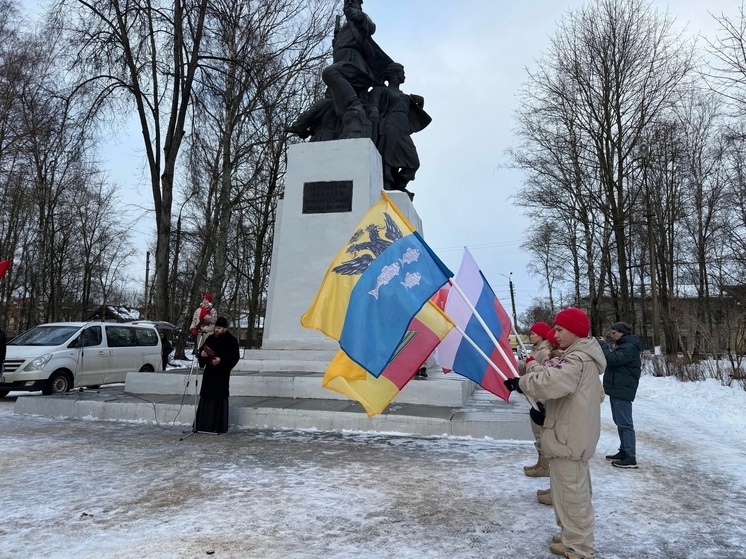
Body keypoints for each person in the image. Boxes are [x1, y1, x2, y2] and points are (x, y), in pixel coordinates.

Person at [503, 307, 606, 559]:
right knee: (567, 496)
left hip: (569, 441)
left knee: (573, 499)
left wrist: (521, 383)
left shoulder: (578, 360)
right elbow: (569, 395)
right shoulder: (577, 357)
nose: (555, 335)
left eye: (560, 329)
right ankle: (572, 538)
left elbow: (549, 382)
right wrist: (548, 413)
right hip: (566, 437)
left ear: (576, 331)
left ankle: (579, 551)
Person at [367, 62, 431, 198]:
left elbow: (414, 114)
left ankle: (399, 184)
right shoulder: (381, 90)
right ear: (395, 74)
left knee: (413, 163)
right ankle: (388, 185)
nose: (405, 76)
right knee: (388, 159)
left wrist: (419, 102)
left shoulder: (406, 97)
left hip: (402, 130)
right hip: (388, 127)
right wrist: (374, 114)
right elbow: (373, 106)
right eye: (402, 73)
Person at [321, 0, 379, 138]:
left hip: (354, 66)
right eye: (347, 2)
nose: (349, 4)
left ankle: (355, 104)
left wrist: (359, 15)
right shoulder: (344, 30)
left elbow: (371, 27)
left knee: (329, 72)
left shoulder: (358, 21)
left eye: (353, 2)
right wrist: (336, 44)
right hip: (342, 64)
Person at [598, 321, 643, 469]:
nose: (612, 335)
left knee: (625, 423)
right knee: (620, 421)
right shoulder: (624, 345)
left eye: (614, 333)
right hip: (618, 388)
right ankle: (624, 451)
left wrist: (603, 345)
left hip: (623, 389)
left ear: (622, 332)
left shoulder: (629, 347)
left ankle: (630, 456)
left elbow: (613, 360)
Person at [195, 317, 241, 434]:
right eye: (216, 327)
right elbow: (202, 350)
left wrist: (221, 361)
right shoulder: (210, 338)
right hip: (209, 373)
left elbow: (234, 357)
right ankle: (204, 425)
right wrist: (202, 354)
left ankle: (217, 426)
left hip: (221, 374)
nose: (216, 330)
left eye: (219, 328)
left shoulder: (231, 341)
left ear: (225, 328)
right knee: (207, 398)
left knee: (218, 399)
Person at [520, 321, 552, 478]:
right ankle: (541, 462)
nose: (530, 336)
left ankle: (546, 466)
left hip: (541, 398)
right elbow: (528, 366)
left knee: (541, 432)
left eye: (533, 333)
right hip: (534, 395)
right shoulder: (536, 350)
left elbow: (546, 375)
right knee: (537, 431)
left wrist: (530, 364)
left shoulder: (545, 351)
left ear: (541, 335)